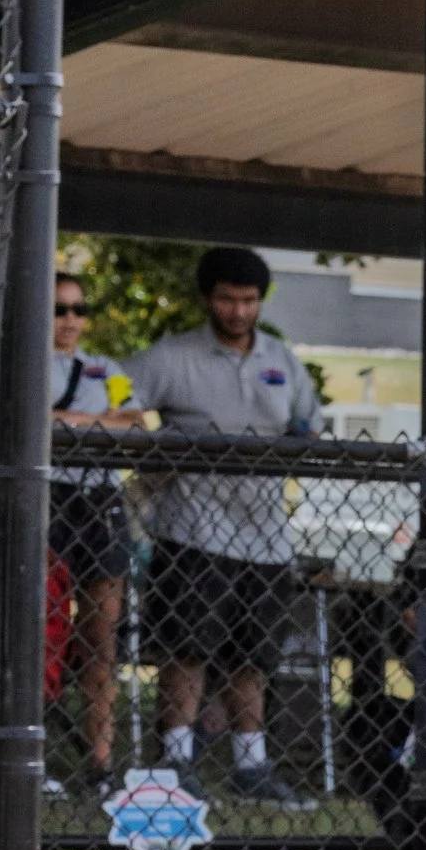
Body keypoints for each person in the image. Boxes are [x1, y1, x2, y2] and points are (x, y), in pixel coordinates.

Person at [120, 245, 319, 807]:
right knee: (186, 646)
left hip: (265, 534)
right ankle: (176, 757)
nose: (238, 312)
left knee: (252, 654)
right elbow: (113, 384)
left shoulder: (282, 360)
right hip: (193, 529)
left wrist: (303, 443)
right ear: (209, 299)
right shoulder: (173, 356)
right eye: (228, 300)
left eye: (249, 301)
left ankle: (251, 765)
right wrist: (141, 432)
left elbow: (309, 422)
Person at [47, 271, 134, 791]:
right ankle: (33, 753)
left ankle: (100, 762)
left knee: (102, 635)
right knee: (42, 628)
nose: (70, 320)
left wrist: (69, 421)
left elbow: (137, 420)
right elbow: (30, 421)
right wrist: (99, 422)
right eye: (59, 309)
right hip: (48, 497)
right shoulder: (25, 364)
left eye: (79, 309)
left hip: (99, 500)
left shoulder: (107, 369)